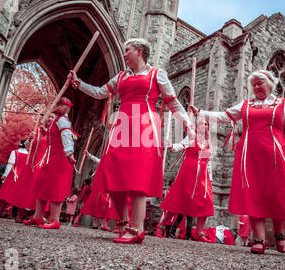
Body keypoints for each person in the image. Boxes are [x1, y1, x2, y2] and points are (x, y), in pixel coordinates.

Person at [68, 38, 194, 244]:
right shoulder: (121, 77)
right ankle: (125, 221)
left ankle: (138, 228)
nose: (124, 54)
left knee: (138, 175)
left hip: (145, 123)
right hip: (122, 125)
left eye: (127, 50)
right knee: (111, 173)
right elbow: (100, 93)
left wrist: (188, 124)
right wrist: (79, 83)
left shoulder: (157, 74)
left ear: (140, 51)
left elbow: (173, 103)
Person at [190, 69, 285, 254]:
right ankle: (258, 239)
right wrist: (201, 113)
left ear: (270, 83)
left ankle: (279, 235)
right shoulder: (246, 104)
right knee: (254, 194)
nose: (256, 87)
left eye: (260, 83)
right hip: (250, 155)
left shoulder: (282, 104)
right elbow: (225, 116)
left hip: (276, 154)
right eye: (253, 85)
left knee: (277, 193)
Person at [23, 97, 77, 229]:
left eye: (61, 105)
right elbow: (55, 136)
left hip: (60, 158)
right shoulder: (56, 121)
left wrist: (69, 153)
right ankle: (37, 216)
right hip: (50, 157)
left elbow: (66, 137)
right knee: (42, 184)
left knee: (55, 187)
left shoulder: (63, 120)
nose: (58, 107)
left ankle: (55, 220)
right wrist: (45, 132)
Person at [160, 116, 214, 242]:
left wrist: (210, 179)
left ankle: (200, 233)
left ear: (208, 127)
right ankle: (163, 224)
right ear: (196, 126)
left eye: (206, 124)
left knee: (207, 201)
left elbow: (208, 162)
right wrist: (171, 146)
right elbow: (180, 146)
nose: (203, 126)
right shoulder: (191, 138)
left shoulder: (208, 143)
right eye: (201, 124)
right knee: (178, 200)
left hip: (202, 176)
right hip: (188, 173)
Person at [6, 114, 55, 223]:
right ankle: (20, 213)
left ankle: (37, 214)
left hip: (45, 161)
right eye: (48, 116)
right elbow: (28, 147)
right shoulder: (37, 130)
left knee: (40, 188)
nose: (49, 119)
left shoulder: (54, 133)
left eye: (52, 117)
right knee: (26, 186)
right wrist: (30, 139)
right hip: (32, 160)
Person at [0, 139, 29, 219]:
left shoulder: (15, 152)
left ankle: (0, 211)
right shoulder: (29, 154)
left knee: (6, 193)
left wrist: (5, 174)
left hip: (13, 174)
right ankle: (9, 211)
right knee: (16, 195)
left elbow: (10, 164)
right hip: (23, 176)